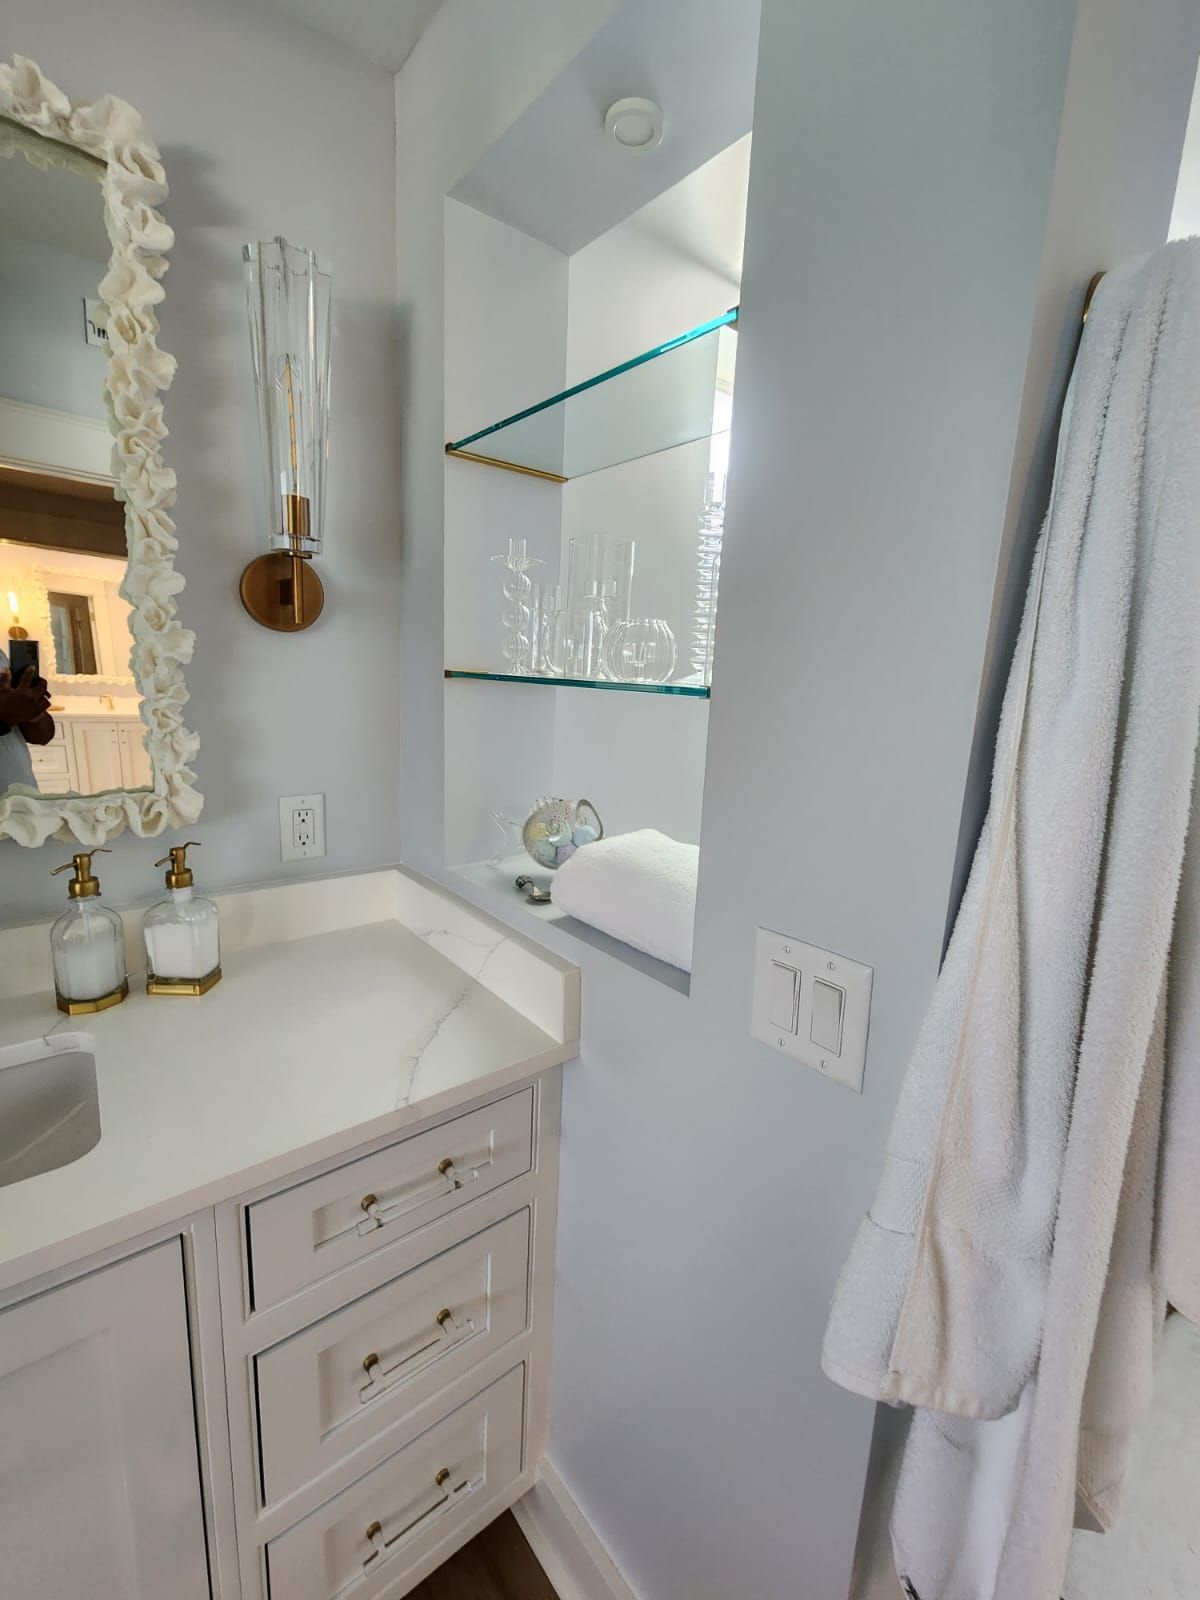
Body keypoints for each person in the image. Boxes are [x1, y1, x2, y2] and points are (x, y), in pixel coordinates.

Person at [0, 647, 54, 792]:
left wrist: (34, 712)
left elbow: (44, 736)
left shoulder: (0, 657)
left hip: (24, 795)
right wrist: (6, 718)